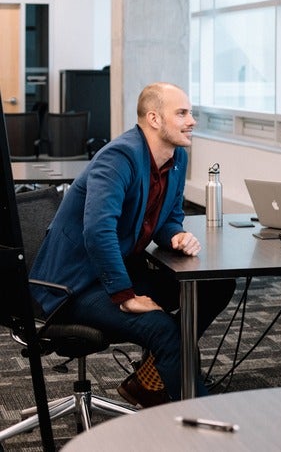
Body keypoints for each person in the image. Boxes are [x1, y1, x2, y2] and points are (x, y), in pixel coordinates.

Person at [30, 83, 236, 405]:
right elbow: (98, 232)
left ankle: (150, 378)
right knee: (162, 329)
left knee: (215, 285)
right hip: (75, 285)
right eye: (182, 113)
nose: (192, 120)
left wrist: (174, 235)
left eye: (190, 112)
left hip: (117, 269)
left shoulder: (176, 158)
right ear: (154, 119)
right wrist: (125, 296)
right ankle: (202, 419)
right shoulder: (119, 157)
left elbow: (168, 217)